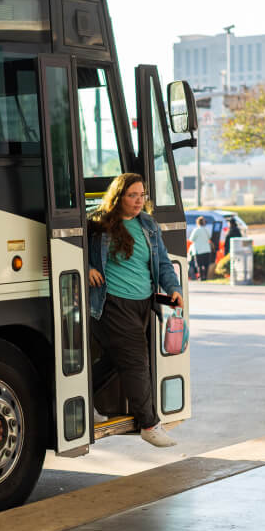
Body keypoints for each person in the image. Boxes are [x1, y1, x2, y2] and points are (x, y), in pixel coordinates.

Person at [87, 173, 184, 447]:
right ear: (119, 197)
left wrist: (173, 288)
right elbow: (70, 249)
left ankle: (79, 400)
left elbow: (163, 262)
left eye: (142, 195)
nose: (139, 200)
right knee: (136, 362)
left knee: (116, 361)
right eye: (132, 195)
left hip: (142, 304)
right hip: (111, 304)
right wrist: (87, 268)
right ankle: (149, 425)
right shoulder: (98, 225)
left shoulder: (148, 225)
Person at [188, 216, 214, 281]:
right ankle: (205, 277)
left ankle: (201, 277)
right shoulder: (206, 229)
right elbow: (209, 237)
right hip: (206, 249)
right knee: (206, 264)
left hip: (198, 250)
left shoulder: (196, 230)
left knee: (199, 265)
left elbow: (191, 239)